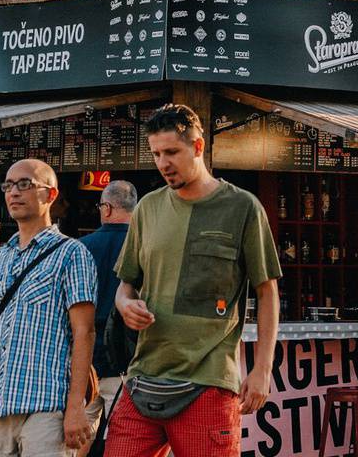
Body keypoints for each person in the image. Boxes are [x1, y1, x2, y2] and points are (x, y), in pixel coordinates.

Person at [111, 104, 280, 457]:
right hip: (143, 378)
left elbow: (268, 292)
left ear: (198, 147)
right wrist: (125, 304)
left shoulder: (243, 207)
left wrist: (263, 369)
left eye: (172, 151)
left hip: (208, 381)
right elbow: (126, 284)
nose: (163, 162)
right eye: (156, 153)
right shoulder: (147, 208)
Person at [0, 160, 98, 457]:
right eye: (8, 185)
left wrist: (76, 407)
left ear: (50, 194)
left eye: (25, 184)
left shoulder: (72, 254)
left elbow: (84, 332)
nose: (14, 192)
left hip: (48, 406)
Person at [79, 178, 138, 438]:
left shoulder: (80, 249)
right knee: (122, 437)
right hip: (125, 360)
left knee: (77, 437)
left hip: (85, 362)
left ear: (107, 208)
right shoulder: (143, 247)